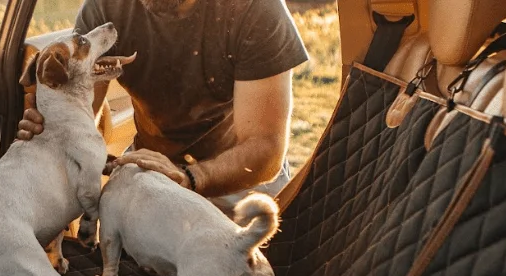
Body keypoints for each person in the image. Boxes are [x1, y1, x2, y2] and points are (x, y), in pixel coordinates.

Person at [16, 0, 309, 210]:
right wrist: (51, 127)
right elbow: (79, 116)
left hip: (239, 186)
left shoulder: (255, 9)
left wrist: (190, 177)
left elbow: (265, 146)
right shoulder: (106, 8)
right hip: (149, 172)